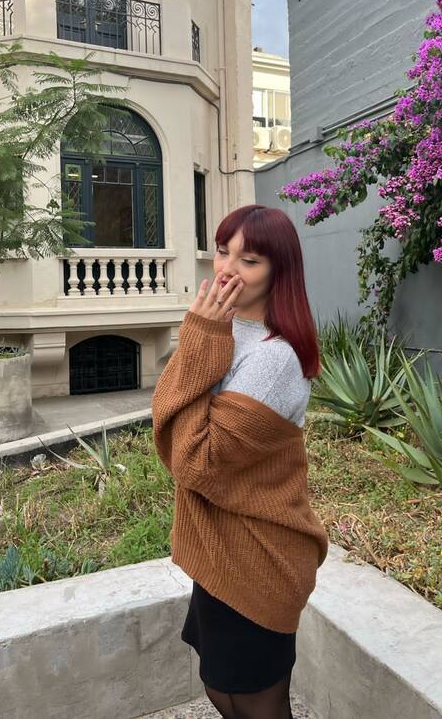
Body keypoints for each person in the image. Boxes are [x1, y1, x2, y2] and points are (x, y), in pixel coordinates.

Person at [152, 204, 328, 719]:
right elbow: (167, 409)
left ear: (279, 272)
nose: (228, 269)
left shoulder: (273, 357)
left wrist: (200, 336)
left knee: (257, 704)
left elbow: (195, 461)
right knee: (221, 691)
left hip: (259, 557)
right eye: (222, 251)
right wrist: (203, 334)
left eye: (249, 260)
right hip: (218, 548)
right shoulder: (222, 327)